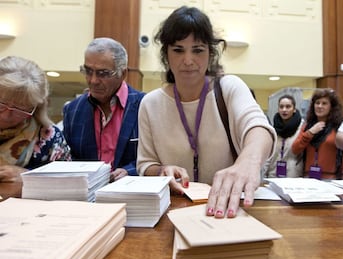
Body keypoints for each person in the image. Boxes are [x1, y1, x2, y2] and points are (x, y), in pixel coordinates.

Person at [137, 6, 276, 218]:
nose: (188, 60)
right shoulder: (150, 103)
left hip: (230, 208)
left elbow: (258, 127)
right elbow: (145, 164)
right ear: (166, 54)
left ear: (210, 53)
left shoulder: (228, 88)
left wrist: (248, 161)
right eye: (178, 50)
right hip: (173, 211)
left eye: (198, 50)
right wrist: (162, 171)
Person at [63, 37, 145, 182]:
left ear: (123, 73)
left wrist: (130, 171)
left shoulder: (145, 106)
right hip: (86, 198)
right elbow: (68, 160)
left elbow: (157, 159)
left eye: (103, 73)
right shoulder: (72, 110)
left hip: (132, 196)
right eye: (88, 71)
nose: (93, 80)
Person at [0, 56, 71, 182]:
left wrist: (27, 176)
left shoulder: (49, 136)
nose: (6, 115)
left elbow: (68, 182)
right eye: (1, 105)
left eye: (19, 110)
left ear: (35, 108)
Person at [292, 88, 343, 180]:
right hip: (309, 177)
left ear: (332, 107)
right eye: (317, 103)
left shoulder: (339, 126)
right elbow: (295, 149)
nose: (320, 106)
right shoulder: (307, 126)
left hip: (331, 177)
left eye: (324, 103)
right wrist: (310, 133)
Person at [263, 95, 304, 178]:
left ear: (294, 109)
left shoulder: (302, 128)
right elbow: (269, 156)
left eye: (288, 107)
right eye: (281, 107)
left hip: (293, 177)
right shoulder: (273, 129)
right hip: (273, 175)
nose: (284, 110)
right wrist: (263, 176)